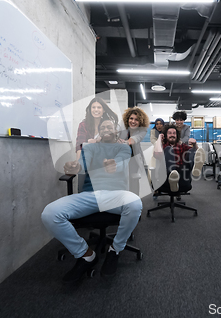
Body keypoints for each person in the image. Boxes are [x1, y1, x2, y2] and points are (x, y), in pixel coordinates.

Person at [42, 119, 142, 282]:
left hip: (114, 195)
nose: (106, 129)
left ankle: (115, 249)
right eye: (102, 127)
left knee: (135, 203)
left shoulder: (123, 147)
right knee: (50, 214)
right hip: (89, 195)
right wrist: (74, 167)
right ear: (98, 131)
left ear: (116, 131)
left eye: (110, 127)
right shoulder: (88, 148)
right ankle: (85, 254)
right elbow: (80, 165)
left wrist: (113, 164)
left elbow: (122, 163)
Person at [154, 124, 205, 193]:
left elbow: (195, 152)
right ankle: (172, 176)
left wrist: (195, 144)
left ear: (177, 135)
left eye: (174, 133)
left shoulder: (182, 146)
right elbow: (157, 154)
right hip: (166, 177)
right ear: (166, 135)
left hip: (182, 176)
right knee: (168, 149)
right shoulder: (162, 146)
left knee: (192, 151)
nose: (172, 135)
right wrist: (159, 139)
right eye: (169, 133)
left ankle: (195, 169)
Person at [74, 97, 119, 161]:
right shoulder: (83, 125)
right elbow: (80, 145)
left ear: (104, 110)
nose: (96, 110)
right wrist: (78, 163)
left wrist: (97, 141)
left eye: (99, 107)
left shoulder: (108, 125)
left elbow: (112, 142)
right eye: (93, 107)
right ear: (90, 109)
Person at [119, 107, 149, 195]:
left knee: (134, 181)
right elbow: (114, 135)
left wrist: (124, 142)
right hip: (121, 157)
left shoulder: (143, 130)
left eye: (136, 120)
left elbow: (134, 139)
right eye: (131, 118)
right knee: (122, 180)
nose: (133, 121)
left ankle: (134, 200)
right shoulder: (122, 125)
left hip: (133, 158)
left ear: (140, 122)